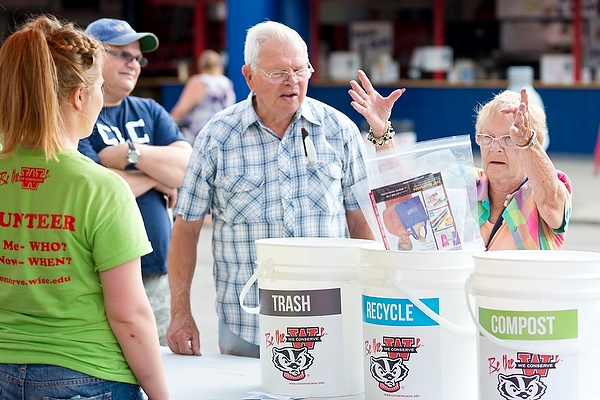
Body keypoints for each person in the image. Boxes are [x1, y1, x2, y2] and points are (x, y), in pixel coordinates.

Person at [166, 21, 401, 358]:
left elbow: (362, 225)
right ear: (249, 77)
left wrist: (375, 301)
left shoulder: (339, 131)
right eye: (278, 72)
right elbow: (186, 229)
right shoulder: (216, 137)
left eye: (300, 69)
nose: (292, 81)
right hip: (248, 328)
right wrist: (180, 312)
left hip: (331, 319)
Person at [0, 15, 168, 399]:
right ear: (79, 96)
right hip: (87, 374)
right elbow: (129, 316)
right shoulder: (101, 188)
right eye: (99, 89)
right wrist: (161, 394)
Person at [349, 69, 572, 250]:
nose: (495, 148)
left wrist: (527, 143)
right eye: (487, 138)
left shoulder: (547, 187)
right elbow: (404, 196)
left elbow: (552, 206)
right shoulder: (465, 182)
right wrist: (381, 132)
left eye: (509, 139)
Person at [78, 18, 192, 345]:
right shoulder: (78, 113)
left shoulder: (149, 110)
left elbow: (186, 170)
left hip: (156, 270)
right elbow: (95, 187)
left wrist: (131, 153)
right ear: (93, 56)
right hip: (97, 273)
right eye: (124, 55)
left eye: (138, 58)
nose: (134, 64)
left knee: (154, 362)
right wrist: (158, 178)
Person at [170, 49, 236, 145]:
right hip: (222, 136)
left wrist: (165, 124)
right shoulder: (227, 83)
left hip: (200, 137)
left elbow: (181, 109)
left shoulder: (199, 82)